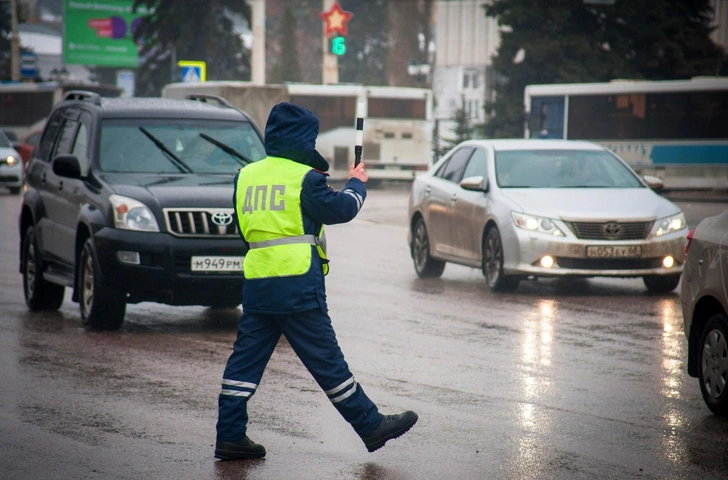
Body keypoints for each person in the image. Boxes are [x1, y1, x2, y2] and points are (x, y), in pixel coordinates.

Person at [214, 102, 418, 460]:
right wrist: (357, 183)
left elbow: (246, 233)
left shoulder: (244, 176)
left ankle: (230, 435)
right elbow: (341, 209)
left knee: (243, 365)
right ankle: (371, 426)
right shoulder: (304, 178)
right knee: (328, 363)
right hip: (297, 289)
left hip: (259, 285)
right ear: (301, 139)